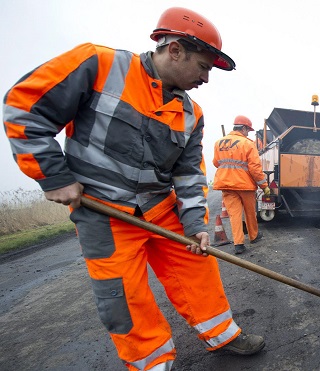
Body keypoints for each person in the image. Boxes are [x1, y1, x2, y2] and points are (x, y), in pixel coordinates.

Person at [3, 7, 265, 370]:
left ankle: (222, 335)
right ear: (174, 50)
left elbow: (188, 174)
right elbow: (23, 109)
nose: (206, 78)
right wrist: (55, 176)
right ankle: (151, 363)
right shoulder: (98, 64)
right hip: (103, 212)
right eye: (203, 67)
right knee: (124, 297)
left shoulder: (193, 114)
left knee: (197, 270)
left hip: (161, 208)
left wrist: (195, 225)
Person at [213, 115, 270, 254]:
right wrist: (264, 186)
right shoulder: (247, 144)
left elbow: (216, 163)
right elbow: (255, 168)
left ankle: (238, 244)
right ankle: (253, 236)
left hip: (226, 184)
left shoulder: (219, 143)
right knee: (250, 213)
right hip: (244, 185)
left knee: (234, 215)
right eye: (248, 130)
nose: (248, 133)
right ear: (243, 128)